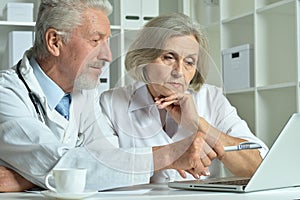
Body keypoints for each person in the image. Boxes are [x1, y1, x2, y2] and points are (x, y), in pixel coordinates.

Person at [0, 1, 224, 192]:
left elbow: (106, 160)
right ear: (55, 42)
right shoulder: (6, 94)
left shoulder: (84, 94)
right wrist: (169, 155)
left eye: (107, 41)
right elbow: (64, 163)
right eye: (96, 41)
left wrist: (26, 177)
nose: (108, 55)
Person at [99, 13, 269, 183]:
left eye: (189, 62)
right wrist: (166, 156)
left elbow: (261, 167)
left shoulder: (211, 98)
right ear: (145, 58)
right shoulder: (111, 103)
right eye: (169, 57)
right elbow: (98, 171)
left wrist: (199, 124)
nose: (179, 71)